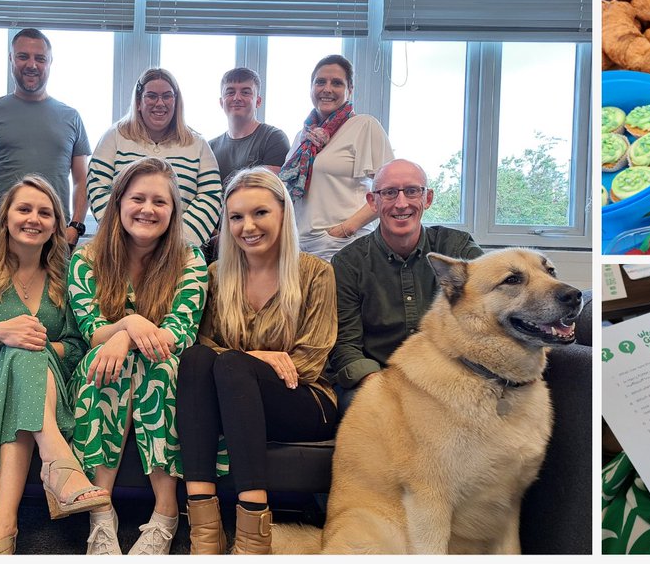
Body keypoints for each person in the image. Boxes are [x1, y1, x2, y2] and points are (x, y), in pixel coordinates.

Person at [0, 176, 106, 555]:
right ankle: (58, 463)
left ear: (56, 224)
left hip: (51, 384)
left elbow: (79, 346)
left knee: (28, 351)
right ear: (5, 218)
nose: (34, 219)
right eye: (24, 209)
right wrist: (1, 332)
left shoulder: (68, 276)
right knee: (20, 350)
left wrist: (31, 342)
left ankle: (2, 526)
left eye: (45, 212)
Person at [178, 168, 338, 555]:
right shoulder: (217, 274)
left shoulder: (316, 272)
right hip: (235, 395)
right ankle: (206, 532)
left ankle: (252, 534)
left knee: (230, 365)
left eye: (260, 213)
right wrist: (251, 357)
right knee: (197, 358)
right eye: (236, 217)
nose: (247, 226)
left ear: (283, 213)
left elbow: (309, 362)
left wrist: (243, 363)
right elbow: (204, 343)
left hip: (304, 400)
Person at [69, 157, 209, 555]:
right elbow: (91, 330)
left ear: (173, 211)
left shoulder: (190, 258)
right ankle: (100, 512)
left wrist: (125, 333)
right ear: (118, 203)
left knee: (159, 365)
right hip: (102, 366)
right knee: (105, 365)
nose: (148, 209)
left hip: (163, 367)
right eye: (137, 198)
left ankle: (165, 514)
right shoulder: (86, 258)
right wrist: (130, 326)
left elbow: (179, 331)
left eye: (159, 202)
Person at [328, 159, 483, 412]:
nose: (401, 203)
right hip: (379, 380)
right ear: (372, 202)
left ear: (428, 198)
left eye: (412, 191)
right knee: (368, 410)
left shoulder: (457, 249)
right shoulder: (348, 264)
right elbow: (346, 346)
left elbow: (490, 316)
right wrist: (383, 388)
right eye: (389, 193)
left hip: (450, 378)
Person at [0, 29, 91, 251]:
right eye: (23, 56)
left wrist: (75, 226)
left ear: (50, 63)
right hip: (0, 232)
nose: (32, 65)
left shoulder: (71, 117)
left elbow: (81, 180)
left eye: (40, 58)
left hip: (54, 235)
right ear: (11, 59)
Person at [87, 68, 221, 248]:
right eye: (151, 96)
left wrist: (179, 240)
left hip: (179, 250)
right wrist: (128, 234)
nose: (160, 103)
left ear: (176, 101)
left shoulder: (197, 144)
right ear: (139, 102)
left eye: (167, 96)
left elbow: (210, 196)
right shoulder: (114, 137)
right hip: (121, 247)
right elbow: (97, 187)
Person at [279, 54, 394, 262]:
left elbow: (389, 191)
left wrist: (346, 229)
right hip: (300, 248)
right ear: (311, 87)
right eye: (320, 82)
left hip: (344, 246)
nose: (327, 89)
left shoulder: (364, 126)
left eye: (337, 83)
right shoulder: (301, 138)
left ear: (350, 89)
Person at [208, 67, 291, 186]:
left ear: (258, 101)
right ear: (221, 102)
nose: (237, 98)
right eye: (230, 92)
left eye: (245, 92)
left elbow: (268, 191)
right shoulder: (210, 147)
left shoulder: (273, 138)